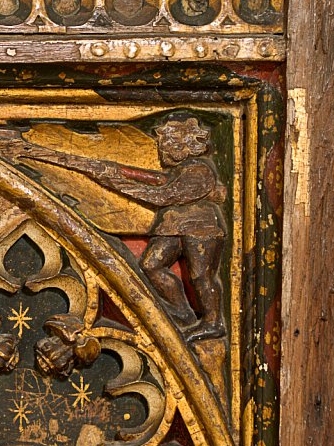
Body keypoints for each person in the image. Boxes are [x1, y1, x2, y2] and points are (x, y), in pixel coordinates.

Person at [14, 116, 226, 342]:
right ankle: (182, 312)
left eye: (167, 145)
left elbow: (162, 195)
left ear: (184, 145)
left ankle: (212, 322)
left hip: (200, 229)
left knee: (200, 275)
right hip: (173, 227)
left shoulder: (200, 172)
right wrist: (112, 171)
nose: (162, 150)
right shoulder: (183, 170)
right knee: (151, 265)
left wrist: (117, 183)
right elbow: (159, 179)